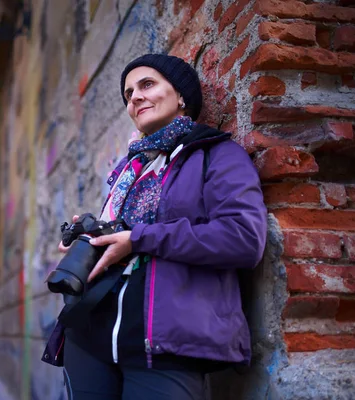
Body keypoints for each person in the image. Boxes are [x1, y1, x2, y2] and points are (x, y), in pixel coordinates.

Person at [42, 54, 268, 399]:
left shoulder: (217, 155)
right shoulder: (127, 171)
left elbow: (244, 239)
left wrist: (139, 238)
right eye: (128, 93)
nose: (135, 97)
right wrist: (96, 237)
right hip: (89, 335)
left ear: (181, 96)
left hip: (166, 343)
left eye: (147, 84)